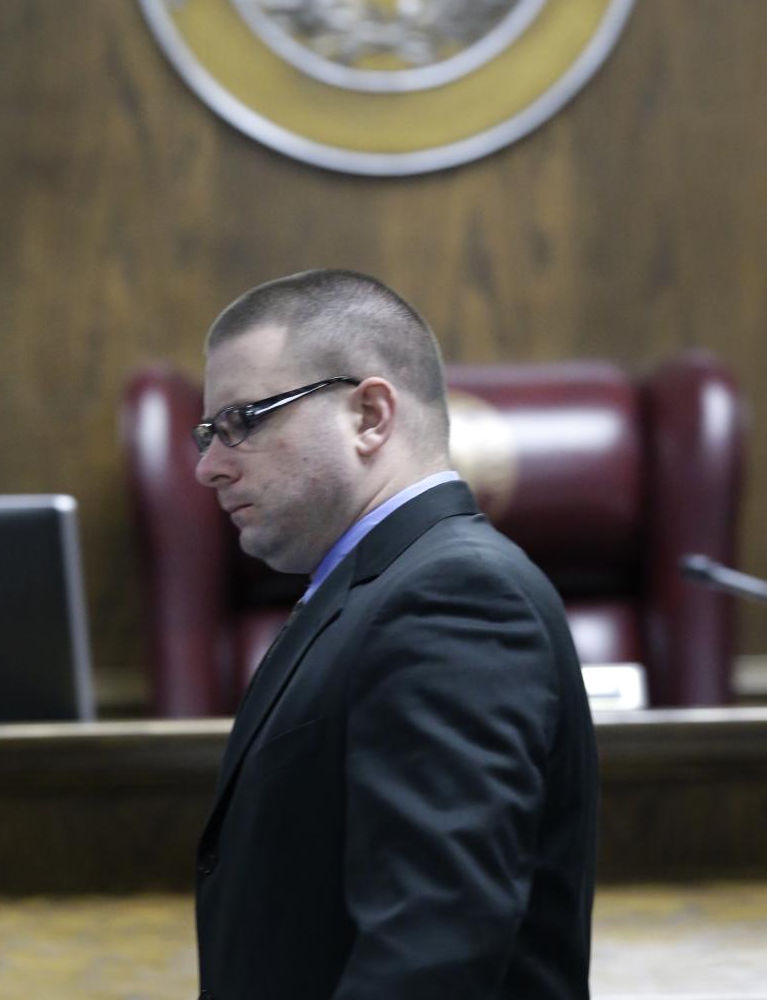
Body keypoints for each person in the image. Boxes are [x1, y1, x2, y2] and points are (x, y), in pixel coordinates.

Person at [192, 269, 597, 1000]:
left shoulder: (456, 597)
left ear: (370, 415)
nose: (209, 466)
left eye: (243, 420)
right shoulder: (377, 589)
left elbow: (435, 943)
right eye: (206, 432)